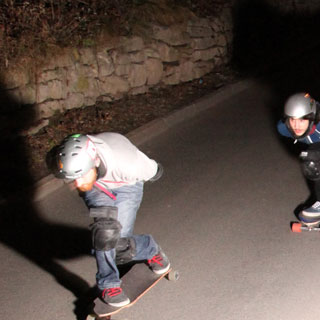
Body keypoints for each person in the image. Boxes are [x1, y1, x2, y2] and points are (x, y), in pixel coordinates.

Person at [53, 132, 170, 307]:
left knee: (118, 243)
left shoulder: (130, 165)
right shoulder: (63, 159)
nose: (77, 184)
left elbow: (154, 171)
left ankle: (150, 248)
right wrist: (83, 178)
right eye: (73, 178)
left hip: (127, 186)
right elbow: (75, 170)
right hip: (97, 188)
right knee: (105, 233)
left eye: (81, 176)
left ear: (95, 163)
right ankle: (109, 284)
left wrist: (155, 171)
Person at [277, 92, 320, 224]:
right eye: (293, 120)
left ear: (313, 118)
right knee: (312, 161)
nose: (296, 125)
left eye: (302, 120)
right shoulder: (284, 128)